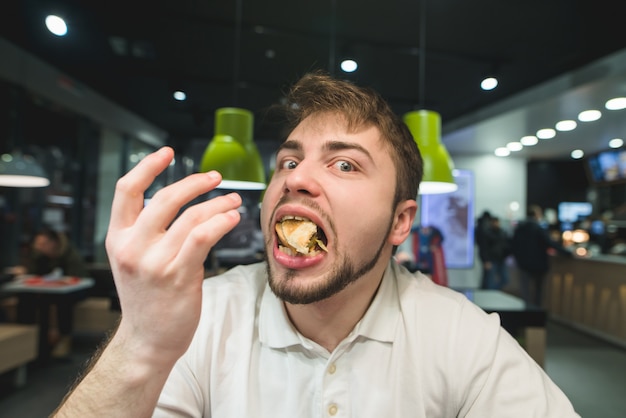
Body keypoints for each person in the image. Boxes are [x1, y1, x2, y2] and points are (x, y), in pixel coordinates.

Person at [52, 73, 578, 417]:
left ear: (401, 222)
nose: (297, 178)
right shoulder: (203, 318)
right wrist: (141, 343)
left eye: (344, 163)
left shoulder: (463, 339)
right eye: (289, 160)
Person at [12, 227, 88, 358]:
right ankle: (28, 338)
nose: (38, 247)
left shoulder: (69, 253)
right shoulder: (38, 255)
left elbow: (79, 277)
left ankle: (64, 338)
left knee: (63, 300)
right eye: (37, 244)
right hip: (49, 291)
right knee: (27, 298)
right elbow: (33, 272)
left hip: (74, 291)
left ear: (53, 243)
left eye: (42, 244)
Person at [511, 205, 572, 307]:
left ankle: (525, 312)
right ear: (536, 215)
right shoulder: (538, 228)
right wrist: (566, 252)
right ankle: (536, 314)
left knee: (525, 290)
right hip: (538, 263)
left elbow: (513, 245)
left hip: (523, 263)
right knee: (538, 291)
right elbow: (549, 243)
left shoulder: (520, 228)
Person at [479, 216, 511, 290]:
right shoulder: (487, 234)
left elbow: (506, 246)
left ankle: (495, 290)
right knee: (490, 281)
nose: (496, 224)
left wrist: (506, 255)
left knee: (505, 279)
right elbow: (484, 248)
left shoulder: (502, 233)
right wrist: (485, 260)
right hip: (491, 260)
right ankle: (491, 294)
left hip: (501, 259)